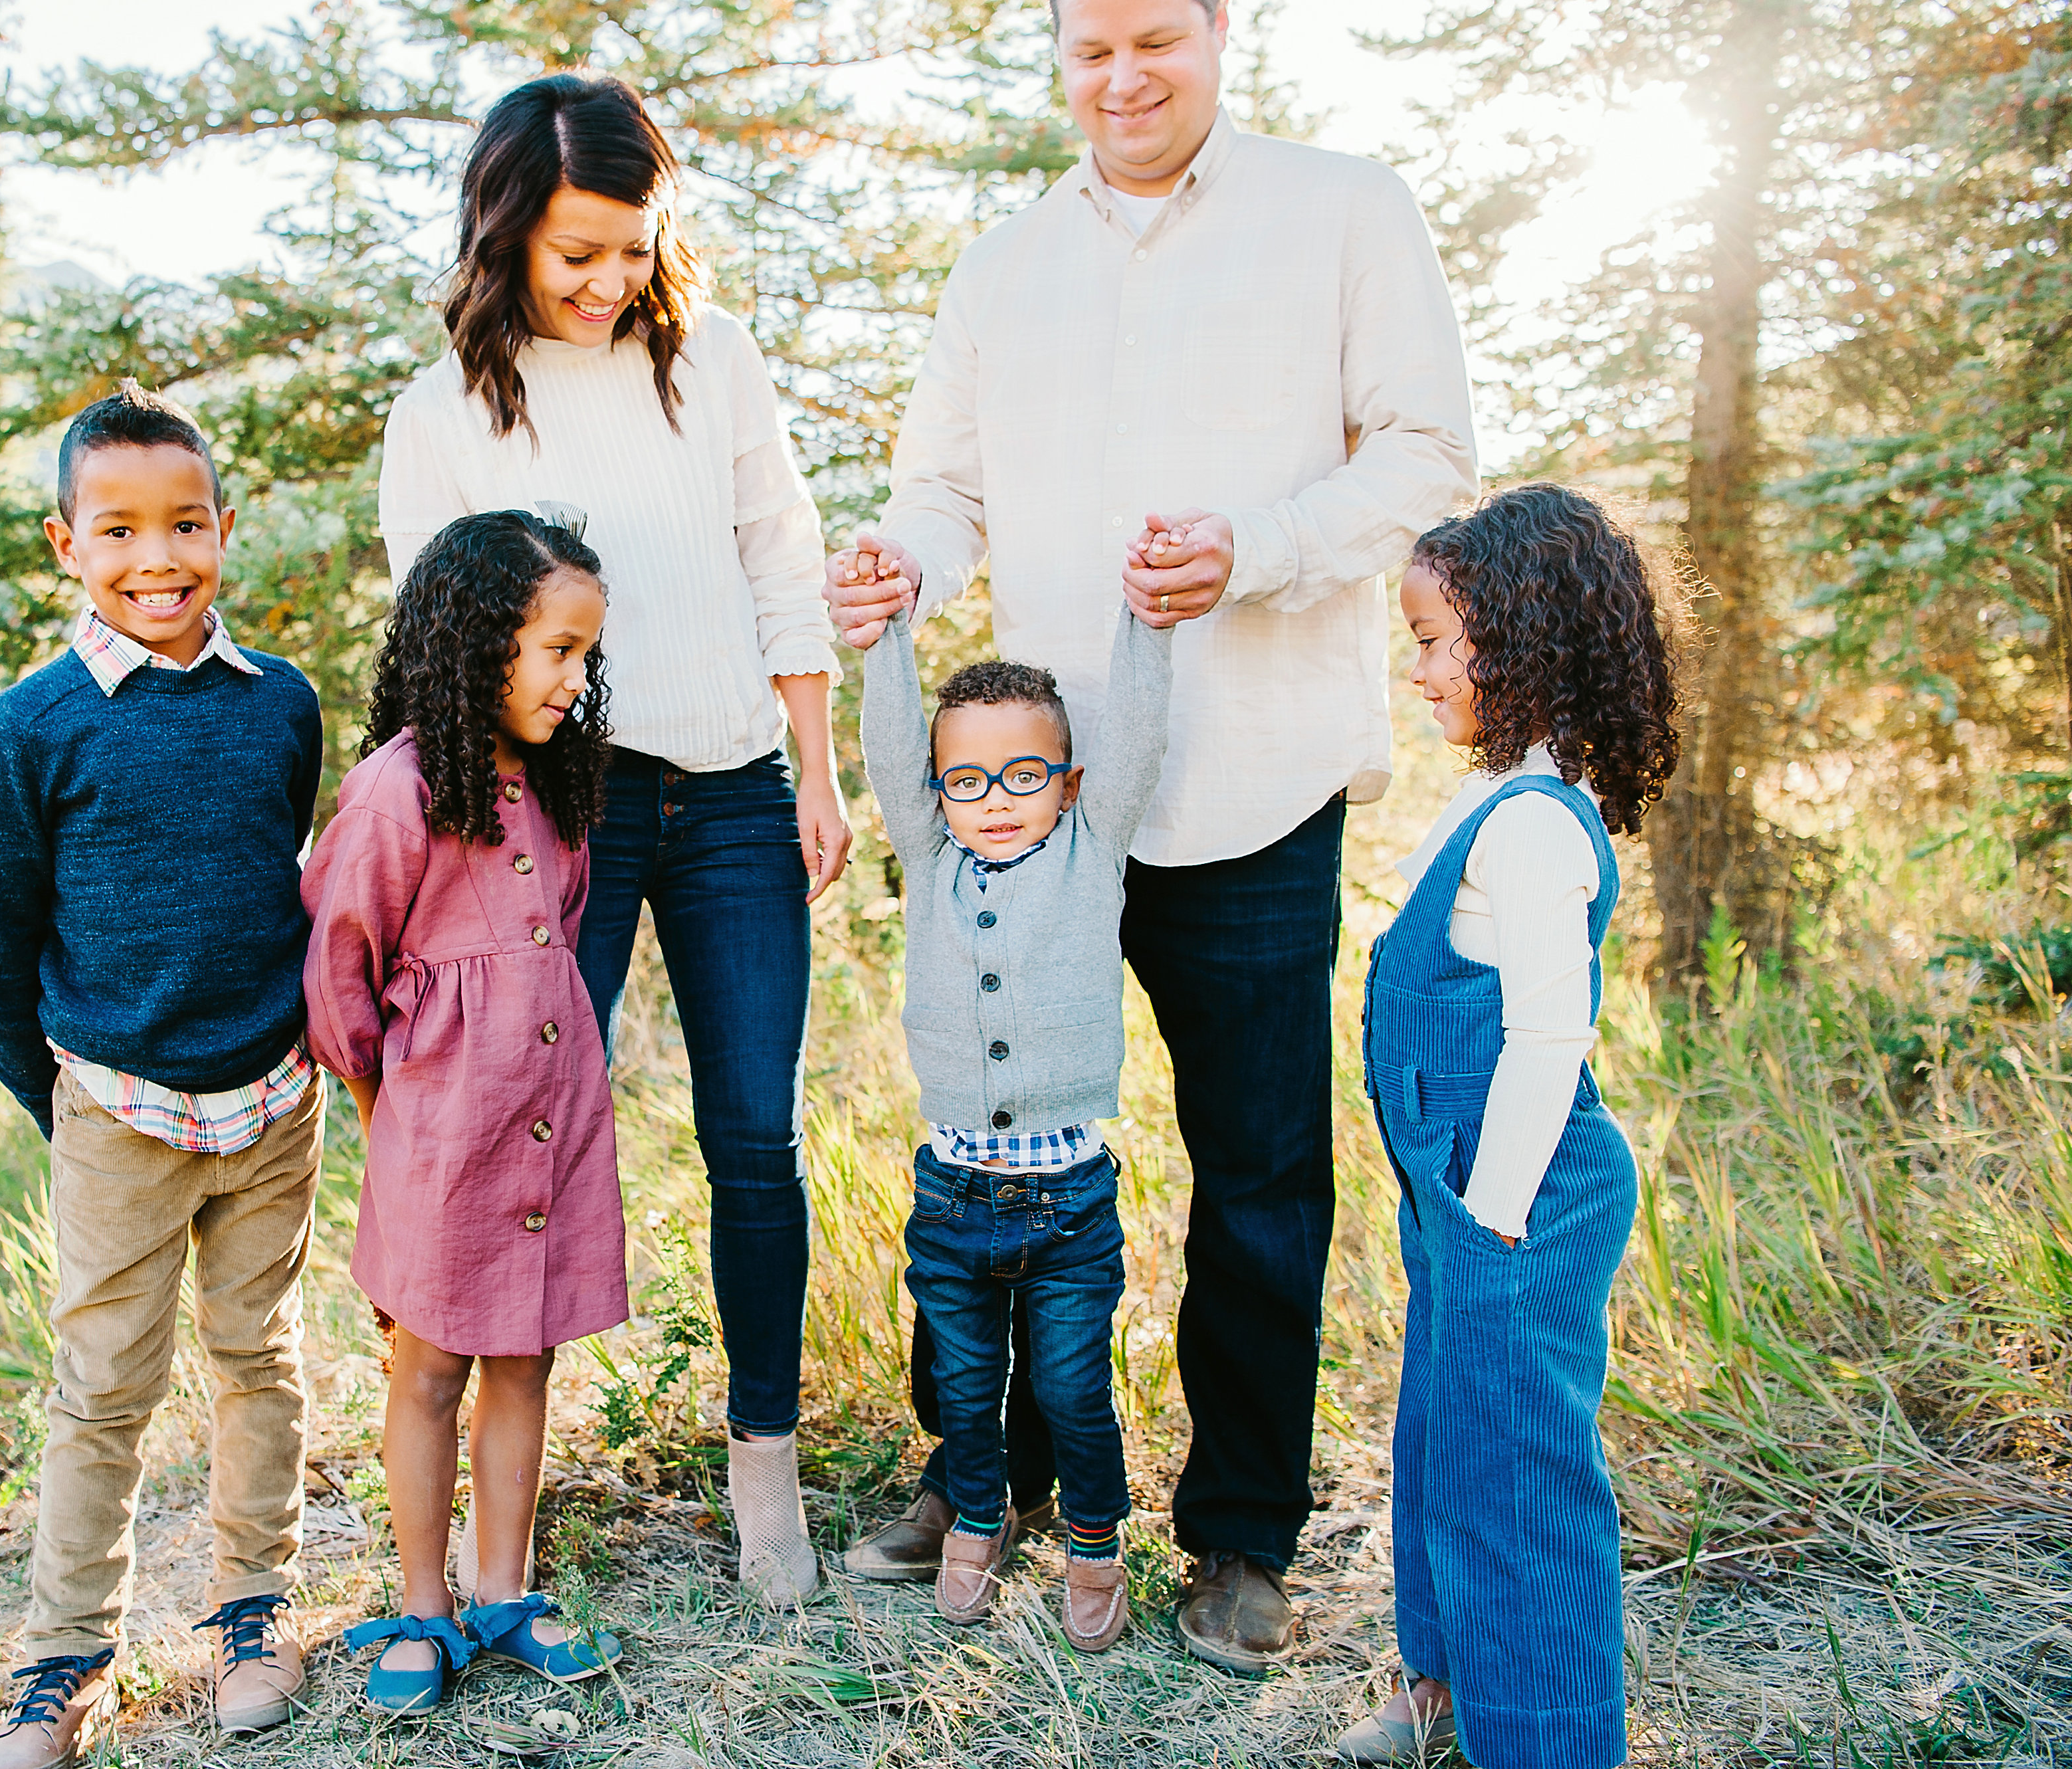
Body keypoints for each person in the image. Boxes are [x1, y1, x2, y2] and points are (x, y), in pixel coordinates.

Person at [826, 0, 1479, 1673]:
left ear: (1214, 37)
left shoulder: (1343, 208)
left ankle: (1241, 1531)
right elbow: (940, 488)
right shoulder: (1000, 266)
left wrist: (1253, 546)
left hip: (1251, 775)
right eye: (1088, 51)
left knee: (1258, 1171)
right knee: (986, 1139)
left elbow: (1422, 456)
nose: (1120, 79)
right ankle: (987, 1474)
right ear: (1057, 61)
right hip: (1035, 804)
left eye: (1152, 43)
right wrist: (890, 561)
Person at [378, 72, 846, 1610]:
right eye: (572, 253)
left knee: (750, 1135)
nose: (602, 283)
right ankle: (505, 1499)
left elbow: (779, 548)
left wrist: (817, 769)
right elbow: (441, 647)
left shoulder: (708, 362)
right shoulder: (446, 413)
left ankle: (761, 1462)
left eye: (629, 249)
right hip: (553, 823)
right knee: (512, 1139)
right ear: (504, 232)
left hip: (725, 794)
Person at [0, 381, 326, 1766]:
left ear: (223, 528)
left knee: (258, 1360)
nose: (155, 557)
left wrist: (289, 1039)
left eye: (184, 525)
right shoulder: (33, 727)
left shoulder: (279, 704)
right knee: (102, 1383)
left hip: (271, 1097)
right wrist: (53, 1093)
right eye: (118, 530)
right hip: (114, 1102)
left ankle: (250, 1611)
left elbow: (279, 871)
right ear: (67, 544)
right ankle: (61, 1661)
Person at [1337, 484, 1677, 1768]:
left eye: (1431, 638)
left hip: (1515, 1193)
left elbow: (1547, 1038)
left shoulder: (1536, 826)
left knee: (1519, 1478)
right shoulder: (1498, 800)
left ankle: (1546, 1737)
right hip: (1465, 1188)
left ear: (1522, 637)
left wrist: (1491, 1216)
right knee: (1441, 1437)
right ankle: (1444, 1689)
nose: (1417, 669)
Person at [303, 510, 631, 1717]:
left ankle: (504, 1588)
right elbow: (341, 972)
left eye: (586, 655)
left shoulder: (554, 786)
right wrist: (396, 1106)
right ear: (478, 639)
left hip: (550, 1118)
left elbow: (564, 939)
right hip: (440, 1133)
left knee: (524, 1357)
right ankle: (424, 1604)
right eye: (555, 649)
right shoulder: (402, 791)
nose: (574, 678)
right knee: (431, 1364)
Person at [856, 582, 1176, 1651]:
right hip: (952, 1194)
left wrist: (1146, 621)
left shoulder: (1092, 855)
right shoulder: (933, 859)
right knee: (962, 1385)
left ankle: (1092, 1543)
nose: (997, 799)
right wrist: (887, 635)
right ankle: (978, 1525)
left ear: (1068, 781)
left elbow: (1136, 730)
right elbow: (890, 745)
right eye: (969, 780)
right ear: (939, 792)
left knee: (1074, 1386)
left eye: (1025, 776)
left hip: (1069, 1203)